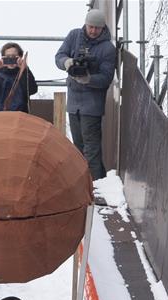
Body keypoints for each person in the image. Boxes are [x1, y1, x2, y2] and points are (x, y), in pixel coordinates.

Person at [55, 8, 115, 180]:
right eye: (91, 27)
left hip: (92, 106)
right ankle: (81, 185)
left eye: (97, 28)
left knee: (92, 150)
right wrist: (66, 62)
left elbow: (106, 78)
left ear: (103, 28)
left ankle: (96, 187)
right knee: (77, 149)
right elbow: (59, 55)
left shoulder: (107, 49)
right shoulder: (74, 36)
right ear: (85, 24)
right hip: (74, 104)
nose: (93, 31)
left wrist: (89, 79)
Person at [0, 42, 38, 112]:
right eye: (8, 57)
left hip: (19, 115)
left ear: (20, 57)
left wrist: (25, 69)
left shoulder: (24, 73)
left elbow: (32, 90)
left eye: (14, 57)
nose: (11, 60)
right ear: (3, 58)